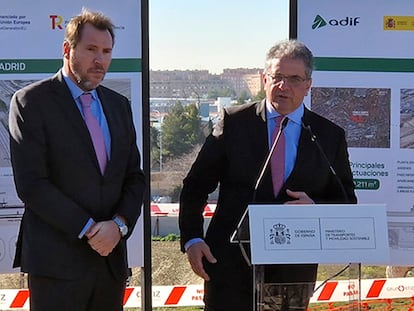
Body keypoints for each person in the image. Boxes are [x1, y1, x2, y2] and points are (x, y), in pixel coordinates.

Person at [179, 39, 357, 311]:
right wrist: (192, 237)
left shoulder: (329, 136)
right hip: (229, 265)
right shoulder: (234, 123)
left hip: (293, 274)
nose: (284, 87)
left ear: (308, 84)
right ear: (264, 79)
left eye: (295, 79)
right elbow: (195, 186)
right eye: (277, 77)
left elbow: (346, 202)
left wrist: (316, 209)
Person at [9, 8, 145, 311]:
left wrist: (119, 225)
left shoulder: (118, 105)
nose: (100, 60)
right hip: (56, 267)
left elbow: (134, 177)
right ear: (68, 49)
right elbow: (33, 185)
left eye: (107, 51)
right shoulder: (31, 102)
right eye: (91, 50)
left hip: (109, 265)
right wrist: (89, 229)